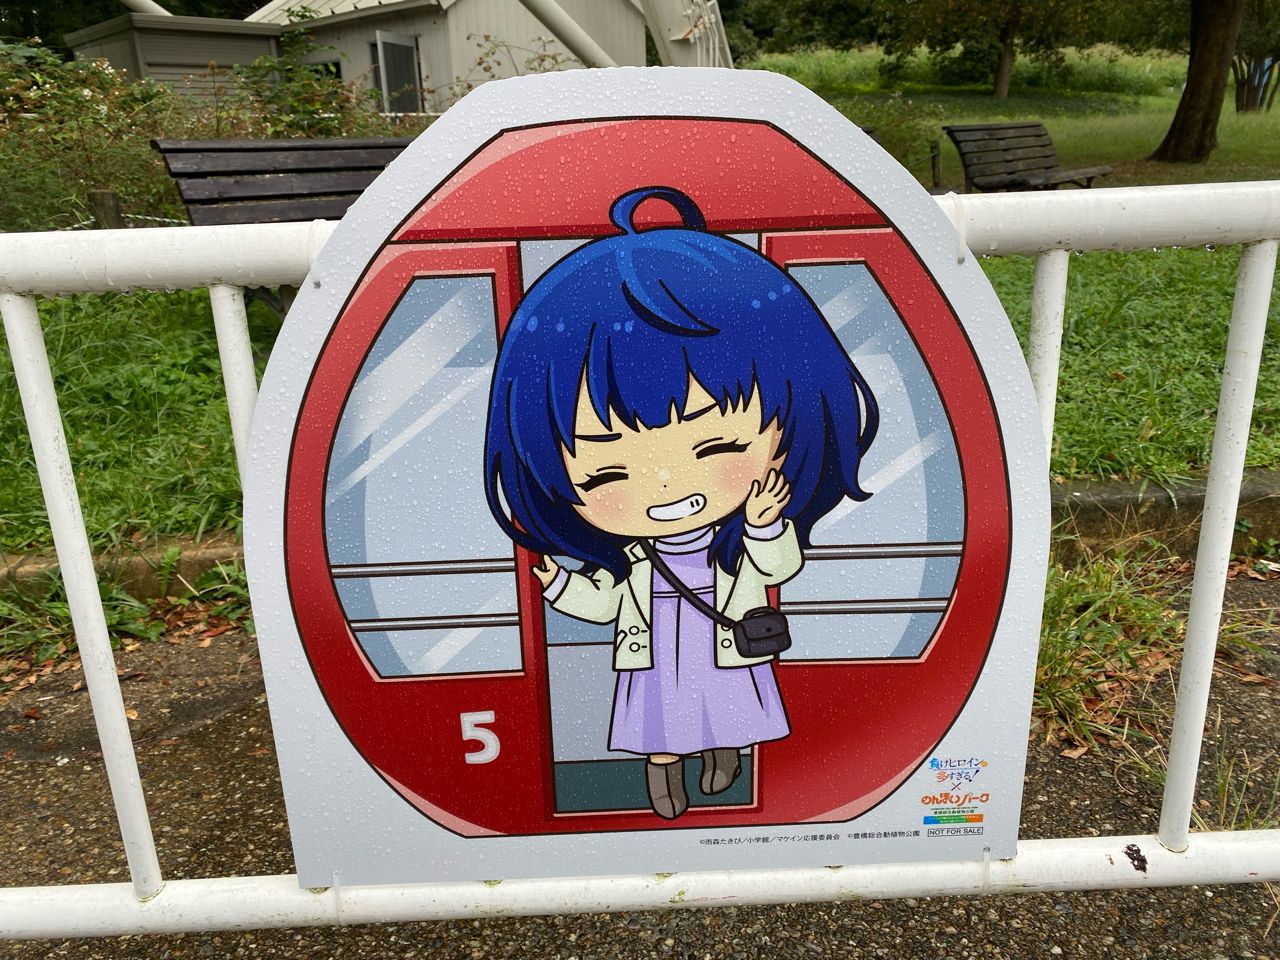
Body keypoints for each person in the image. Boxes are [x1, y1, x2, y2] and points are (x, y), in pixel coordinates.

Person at [483, 186, 878, 819]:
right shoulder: (633, 557)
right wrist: (560, 584)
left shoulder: (739, 540)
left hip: (721, 636)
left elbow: (780, 566)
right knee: (661, 718)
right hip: (656, 647)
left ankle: (723, 754)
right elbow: (606, 604)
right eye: (610, 472)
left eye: (716, 446)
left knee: (724, 707)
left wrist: (764, 525)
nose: (666, 486)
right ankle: (664, 773)